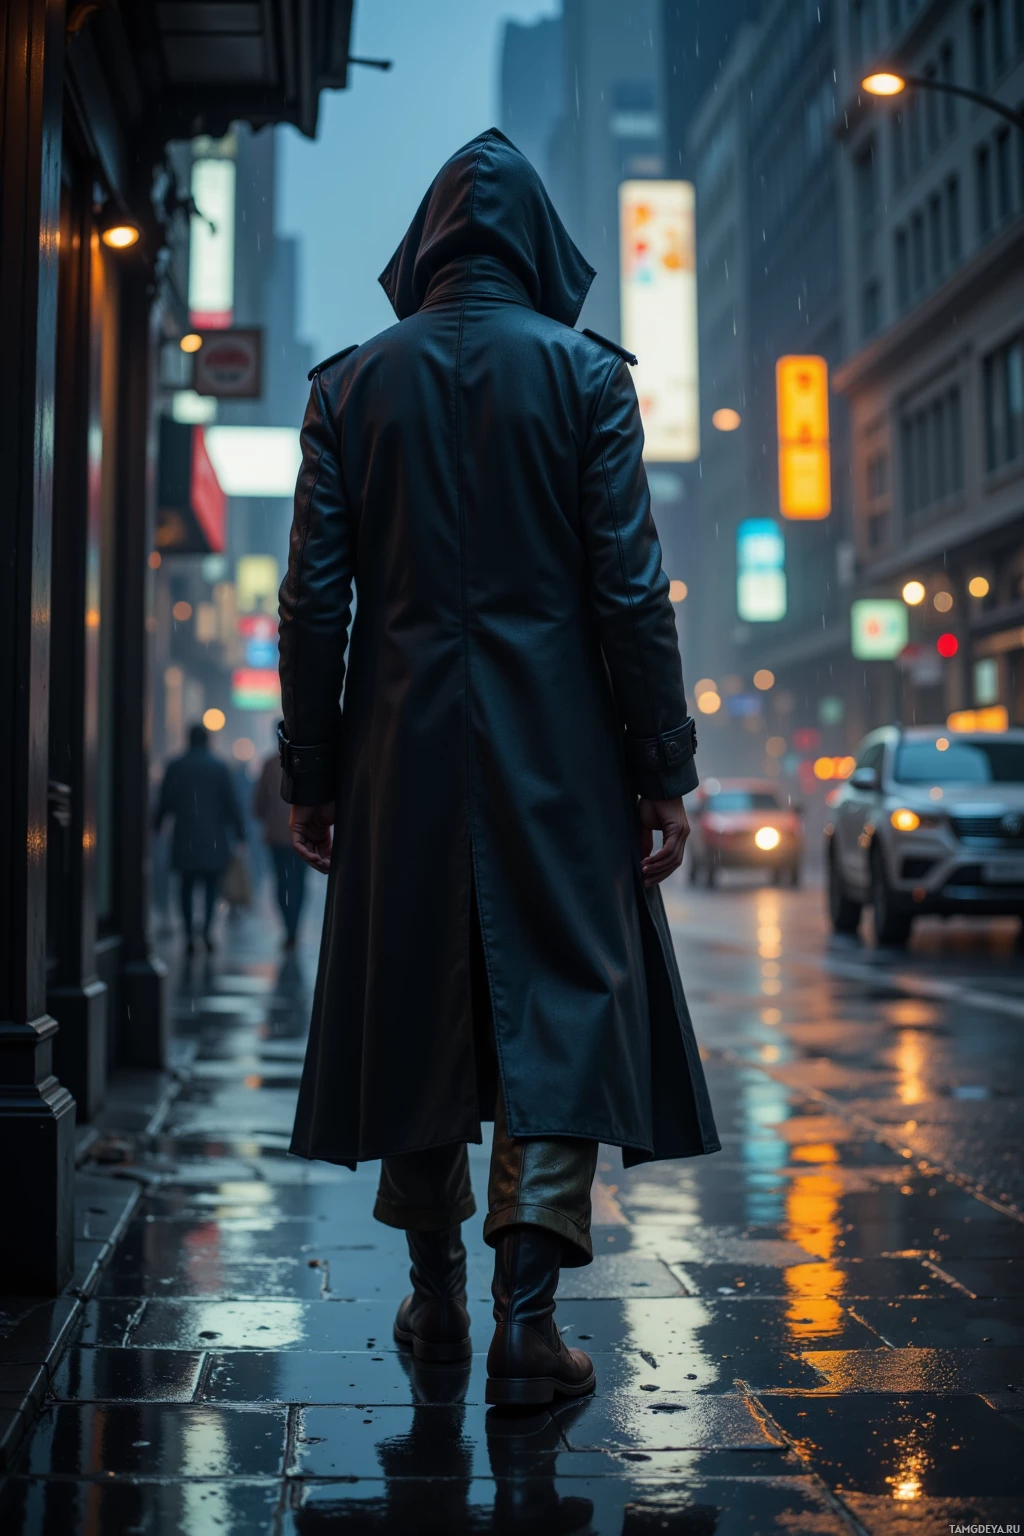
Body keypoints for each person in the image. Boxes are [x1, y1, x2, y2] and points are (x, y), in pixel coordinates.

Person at [277, 128, 720, 1405]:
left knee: (414, 1002)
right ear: (537, 245)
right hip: (560, 750)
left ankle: (431, 1297)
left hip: (397, 752)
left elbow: (317, 605)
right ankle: (529, 1321)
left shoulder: (347, 387)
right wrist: (660, 765)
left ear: (422, 249)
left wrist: (312, 767)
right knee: (561, 1003)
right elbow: (630, 591)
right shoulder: (587, 378)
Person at [153, 723, 246, 953]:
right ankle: (205, 931)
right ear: (207, 741)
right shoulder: (219, 768)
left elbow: (165, 802)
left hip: (185, 836)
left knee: (185, 886)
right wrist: (240, 832)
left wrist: (155, 825)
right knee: (211, 887)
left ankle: (188, 935)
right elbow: (231, 803)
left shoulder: (175, 766)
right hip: (213, 837)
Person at [253, 730, 307, 949]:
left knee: (282, 883)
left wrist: (270, 818)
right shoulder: (304, 762)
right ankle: (294, 928)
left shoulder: (269, 764)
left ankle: (287, 927)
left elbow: (258, 804)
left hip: (277, 836)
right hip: (301, 833)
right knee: (298, 883)